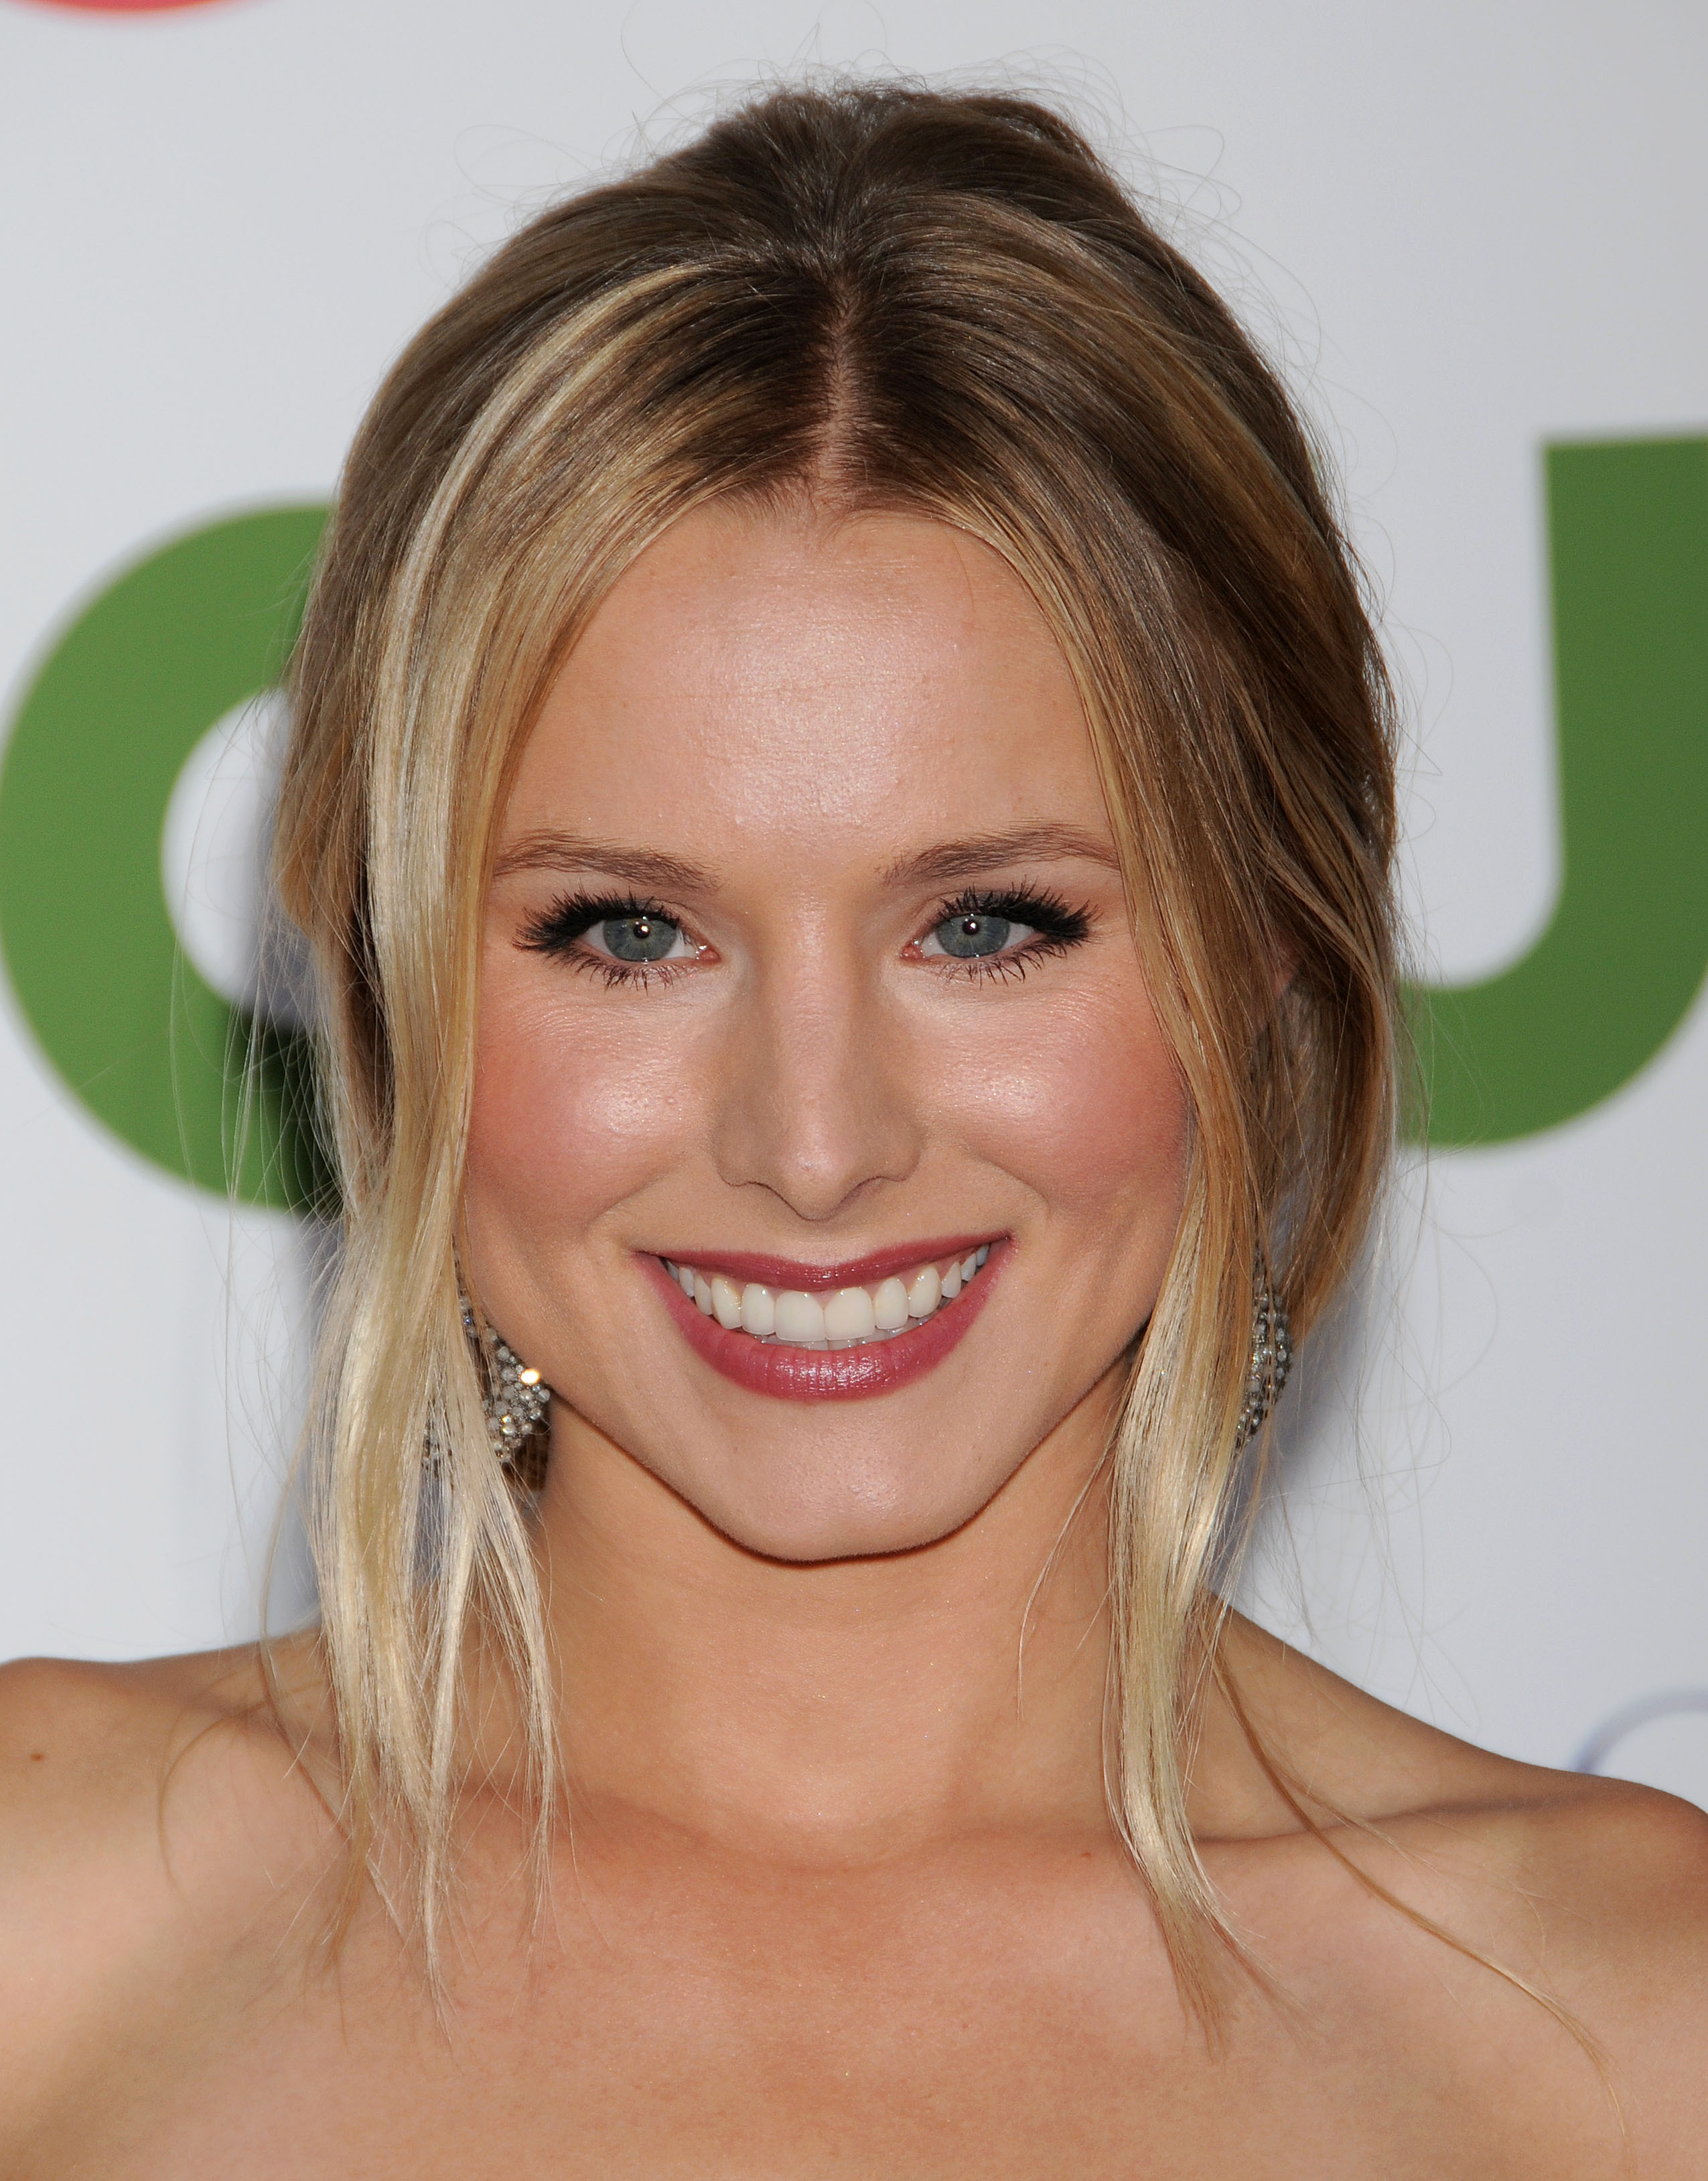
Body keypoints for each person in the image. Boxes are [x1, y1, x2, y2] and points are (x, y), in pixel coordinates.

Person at [1, 80, 1702, 2178]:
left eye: (989, 925)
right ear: (386, 973)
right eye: (628, 932)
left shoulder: (1634, 2029)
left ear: (1268, 938)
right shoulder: (46, 1927)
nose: (815, 1147)